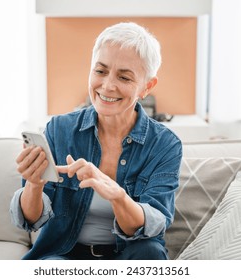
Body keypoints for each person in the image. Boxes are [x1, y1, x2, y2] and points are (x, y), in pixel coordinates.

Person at [10, 22, 182, 260]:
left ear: (147, 86)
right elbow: (31, 221)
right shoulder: (60, 129)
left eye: (124, 77)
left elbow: (153, 224)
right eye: (100, 71)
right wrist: (34, 184)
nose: (108, 86)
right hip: (65, 254)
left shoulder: (164, 145)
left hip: (130, 254)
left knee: (149, 251)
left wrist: (117, 195)